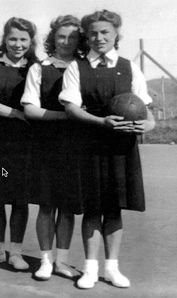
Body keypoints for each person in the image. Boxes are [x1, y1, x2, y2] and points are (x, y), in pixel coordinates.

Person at [59, 10, 155, 289]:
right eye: (93, 33)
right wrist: (101, 121)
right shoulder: (77, 67)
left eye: (105, 33)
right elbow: (71, 108)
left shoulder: (129, 67)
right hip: (90, 145)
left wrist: (147, 126)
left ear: (116, 36)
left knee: (114, 209)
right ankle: (90, 269)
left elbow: (146, 112)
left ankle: (112, 268)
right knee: (92, 209)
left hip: (122, 147)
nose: (99, 38)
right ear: (86, 37)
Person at [21, 15, 83, 280]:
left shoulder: (85, 68)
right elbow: (30, 109)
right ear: (52, 38)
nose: (66, 41)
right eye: (61, 36)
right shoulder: (39, 68)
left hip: (77, 147)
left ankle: (63, 261)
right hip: (46, 145)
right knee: (46, 206)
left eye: (72, 37)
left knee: (67, 206)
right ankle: (46, 261)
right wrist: (67, 116)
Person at [0, 17, 38, 270]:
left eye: (23, 39)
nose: (18, 44)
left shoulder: (36, 67)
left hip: (26, 146)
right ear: (4, 39)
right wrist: (18, 114)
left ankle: (16, 253)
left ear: (31, 41)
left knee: (20, 198)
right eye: (13, 38)